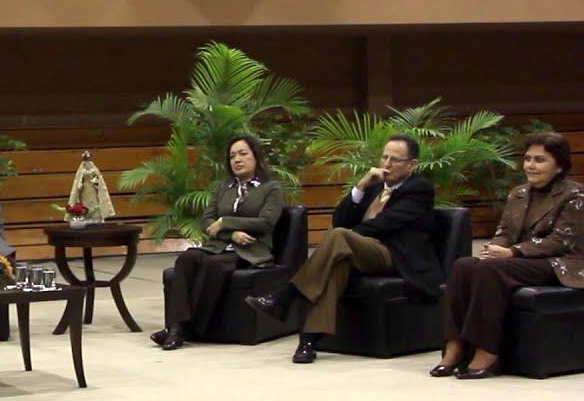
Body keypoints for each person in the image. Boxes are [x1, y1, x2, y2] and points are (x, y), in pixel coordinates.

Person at [247, 134, 443, 364]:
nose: (387, 164)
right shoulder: (374, 186)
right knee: (338, 262)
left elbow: (384, 224)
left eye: (395, 159)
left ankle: (286, 295)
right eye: (385, 157)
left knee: (340, 237)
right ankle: (308, 341)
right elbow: (340, 220)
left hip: (395, 256)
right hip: (362, 252)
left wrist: (349, 235)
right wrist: (360, 186)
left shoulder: (418, 188)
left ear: (412, 165)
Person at [433, 132, 584, 379]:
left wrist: (512, 252)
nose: (530, 165)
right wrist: (493, 249)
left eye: (539, 160)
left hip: (561, 263)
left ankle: (488, 351)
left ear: (559, 166)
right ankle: (455, 346)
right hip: (522, 260)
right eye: (527, 159)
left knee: (490, 269)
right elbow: (504, 233)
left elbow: (560, 242)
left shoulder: (575, 196)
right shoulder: (519, 193)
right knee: (464, 265)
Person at [151, 136, 284, 351]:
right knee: (187, 258)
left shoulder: (271, 188)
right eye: (232, 156)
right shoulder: (224, 187)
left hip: (250, 250)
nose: (237, 160)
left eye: (243, 154)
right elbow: (207, 221)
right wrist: (230, 234)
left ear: (256, 157)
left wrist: (225, 222)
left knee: (213, 266)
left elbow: (265, 222)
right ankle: (176, 327)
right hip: (219, 245)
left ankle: (182, 329)